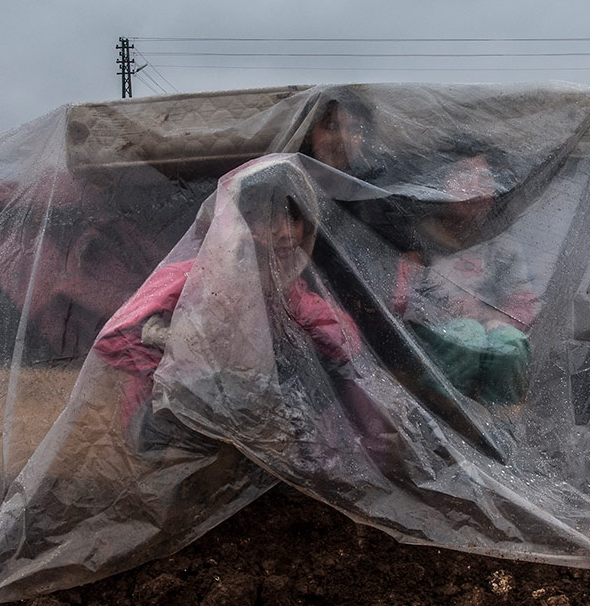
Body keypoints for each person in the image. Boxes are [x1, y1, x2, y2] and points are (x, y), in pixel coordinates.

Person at [93, 155, 385, 463]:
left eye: (294, 219)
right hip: (165, 420)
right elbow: (112, 339)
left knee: (312, 364)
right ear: (236, 224)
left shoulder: (293, 293)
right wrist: (182, 355)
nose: (285, 232)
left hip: (252, 420)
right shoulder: (191, 278)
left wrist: (285, 308)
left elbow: (347, 347)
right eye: (268, 218)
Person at [394, 153, 537, 405]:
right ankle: (444, 411)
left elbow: (523, 303)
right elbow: (402, 300)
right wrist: (447, 315)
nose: (473, 188)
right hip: (434, 336)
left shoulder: (503, 247)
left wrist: (492, 318)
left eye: (484, 179)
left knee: (510, 343)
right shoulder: (418, 237)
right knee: (466, 334)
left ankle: (497, 421)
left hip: (487, 330)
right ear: (439, 183)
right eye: (462, 175)